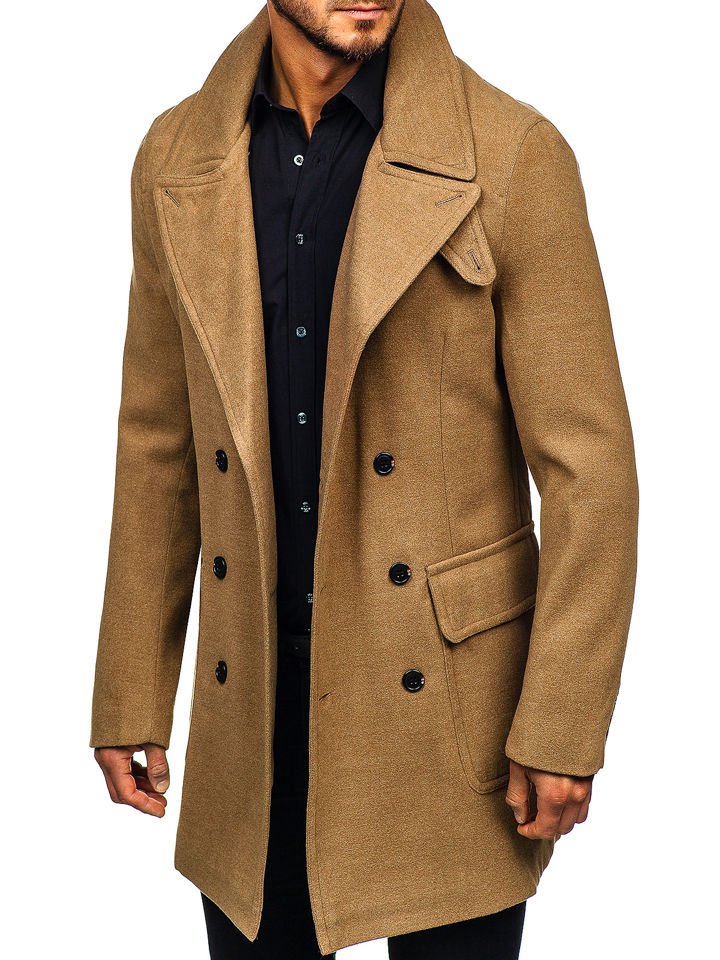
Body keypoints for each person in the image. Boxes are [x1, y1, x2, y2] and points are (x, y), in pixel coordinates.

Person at [90, 1, 639, 957]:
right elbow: (157, 441)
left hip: (450, 706)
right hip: (253, 694)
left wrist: (563, 721)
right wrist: (132, 686)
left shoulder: (513, 155)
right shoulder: (175, 159)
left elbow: (591, 471)